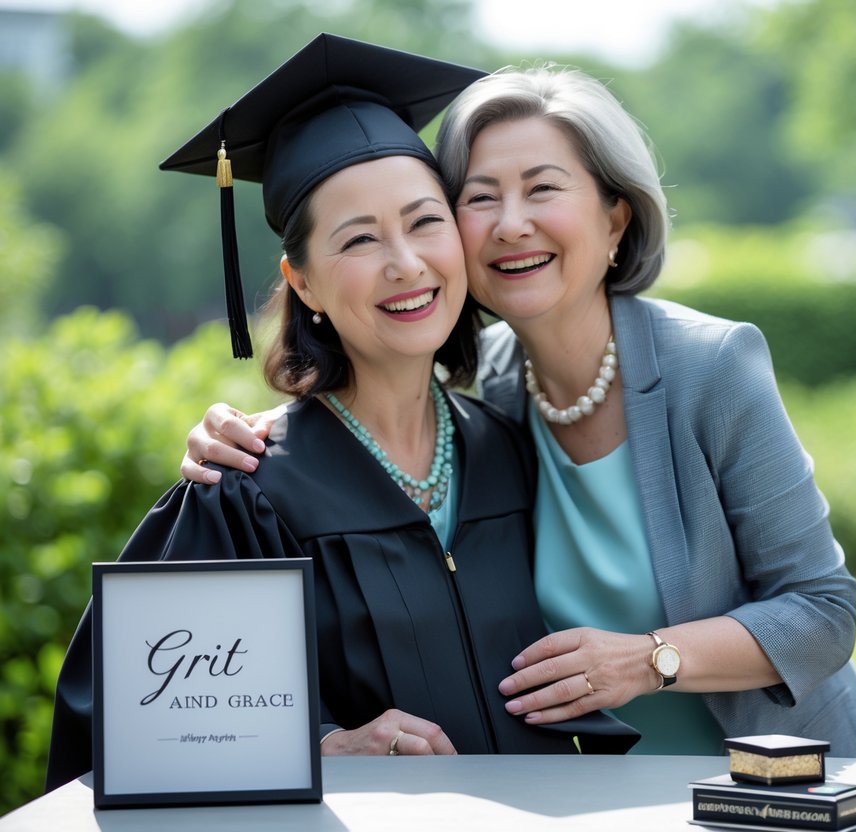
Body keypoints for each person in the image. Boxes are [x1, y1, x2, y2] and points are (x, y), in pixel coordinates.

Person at [182, 64, 856, 757]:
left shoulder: (708, 368)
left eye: (542, 188)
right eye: (481, 196)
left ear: (614, 218)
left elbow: (823, 610)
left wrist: (649, 660)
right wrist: (252, 444)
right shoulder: (494, 397)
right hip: (594, 802)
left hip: (776, 783)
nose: (511, 223)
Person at [45, 35, 636, 794]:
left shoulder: (512, 447)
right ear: (305, 283)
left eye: (425, 222)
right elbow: (131, 723)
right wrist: (319, 746)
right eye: (359, 239)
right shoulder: (244, 489)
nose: (406, 263)